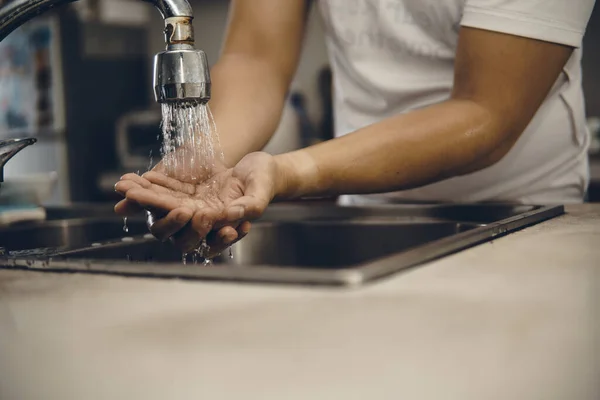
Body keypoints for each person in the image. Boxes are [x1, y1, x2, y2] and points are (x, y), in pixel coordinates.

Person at [115, 0, 596, 254]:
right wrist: (206, 151)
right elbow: (256, 58)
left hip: (522, 216)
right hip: (369, 214)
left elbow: (486, 111)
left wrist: (290, 170)